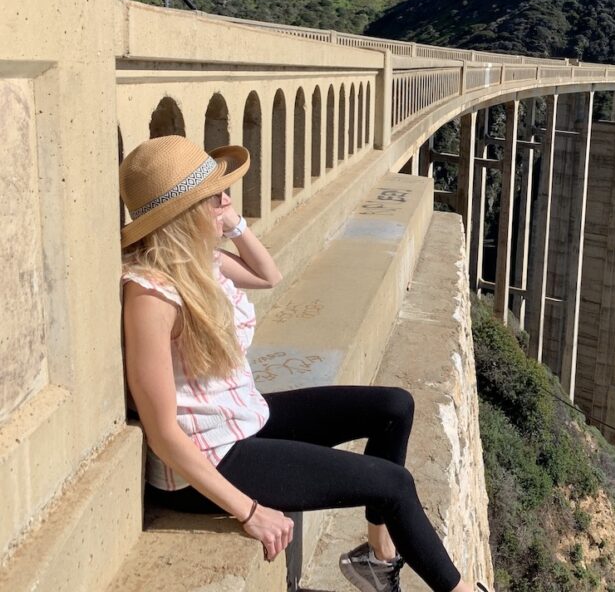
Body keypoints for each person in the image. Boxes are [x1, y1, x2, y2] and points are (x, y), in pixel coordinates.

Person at [119, 136, 489, 592]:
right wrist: (250, 511)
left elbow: (267, 275)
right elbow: (164, 434)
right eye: (216, 197)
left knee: (394, 406)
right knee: (393, 485)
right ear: (185, 212)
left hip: (241, 420)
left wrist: (231, 224)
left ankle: (377, 559)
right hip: (210, 461)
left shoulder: (201, 260)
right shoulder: (151, 295)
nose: (229, 200)